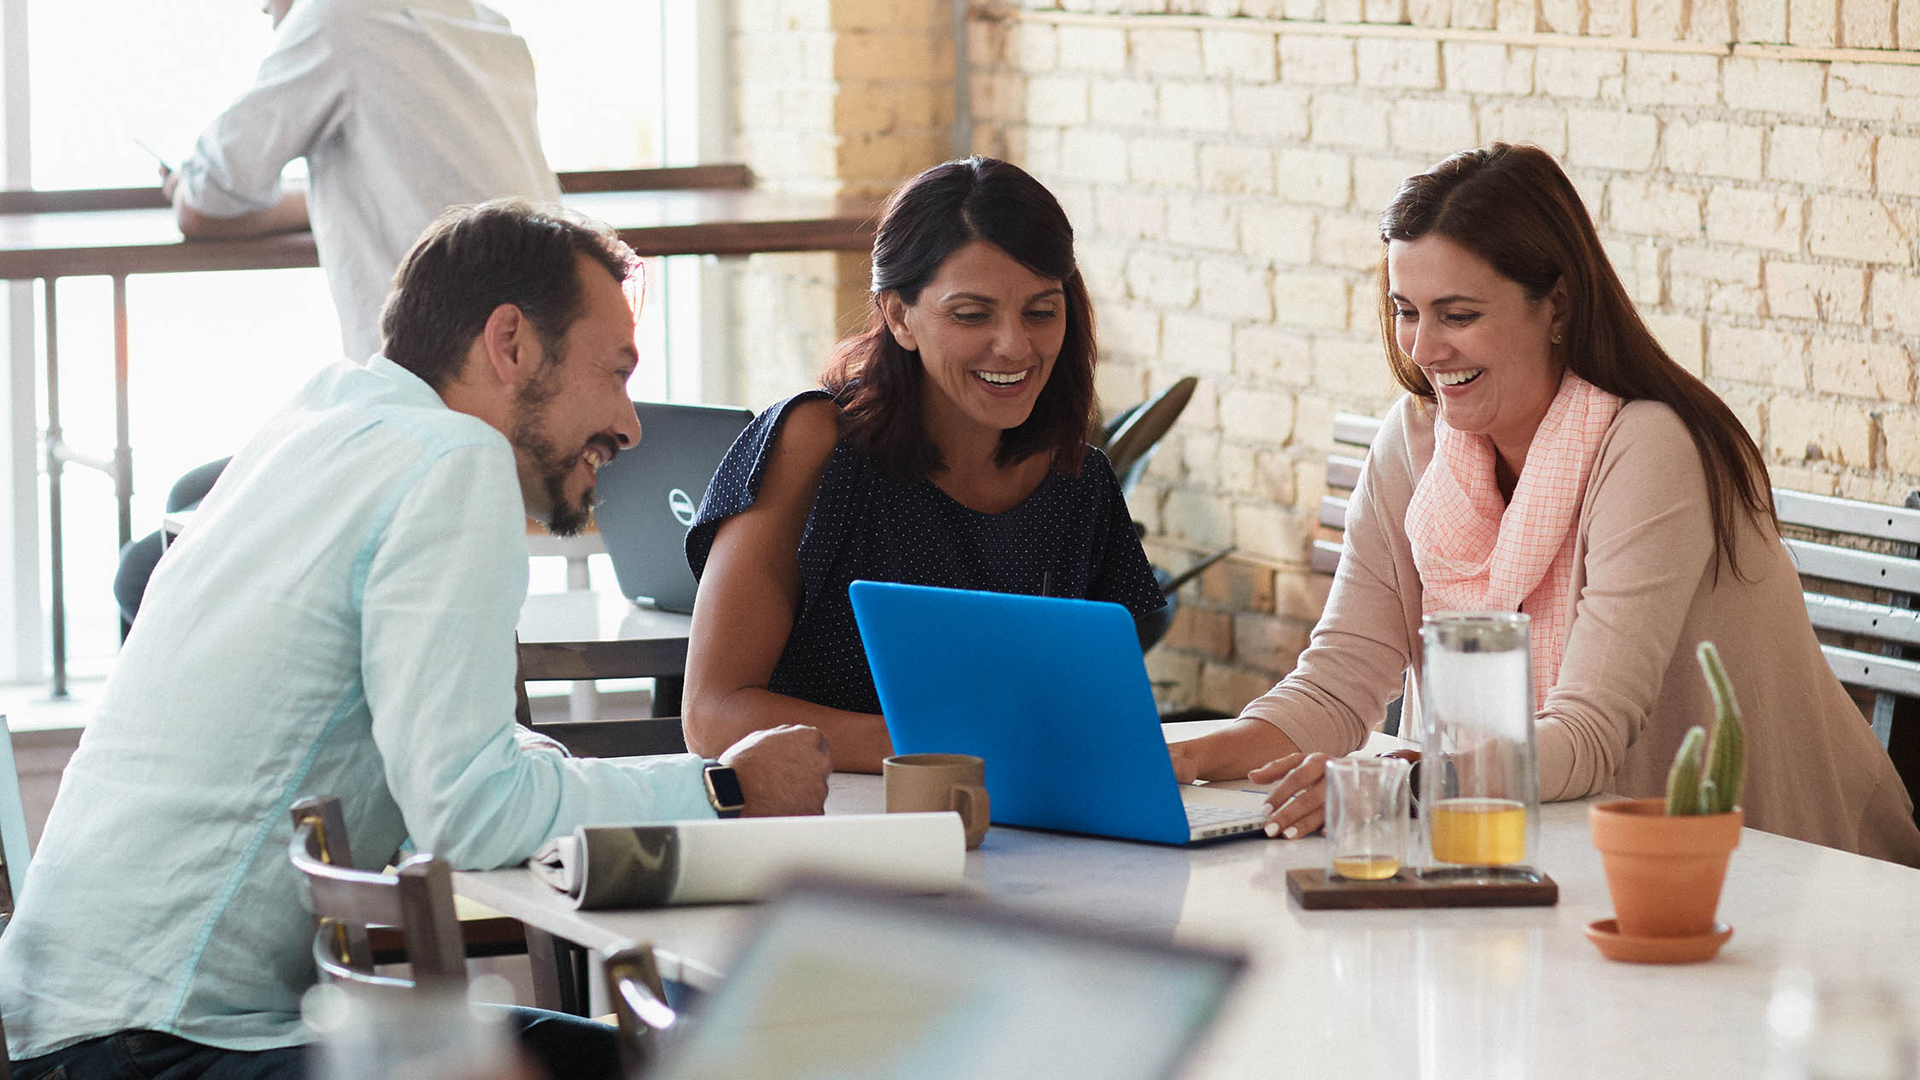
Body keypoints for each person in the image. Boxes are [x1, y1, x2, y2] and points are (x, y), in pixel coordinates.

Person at [0, 201, 834, 1080]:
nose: (630, 424)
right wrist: (725, 787)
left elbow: (446, 759)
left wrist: (542, 773)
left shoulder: (321, 423)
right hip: (151, 1051)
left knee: (637, 1056)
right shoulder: (452, 462)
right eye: (616, 371)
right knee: (700, 1062)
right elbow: (471, 816)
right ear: (509, 342)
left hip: (74, 1026)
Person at [1168, 143, 1920, 865]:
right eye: (1406, 310)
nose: (1424, 349)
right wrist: (1184, 754)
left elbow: (1591, 735)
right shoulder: (1415, 442)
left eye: (1457, 315)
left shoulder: (1649, 447)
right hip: (1554, 854)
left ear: (1554, 304)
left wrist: (1403, 781)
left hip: (1774, 875)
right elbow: (1337, 685)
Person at [681, 157, 1165, 773]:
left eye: (1041, 311)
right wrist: (948, 749)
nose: (1015, 345)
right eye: (972, 314)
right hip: (820, 825)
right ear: (898, 316)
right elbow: (711, 715)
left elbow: (1092, 723)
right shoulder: (814, 444)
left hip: (1015, 839)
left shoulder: (1077, 482)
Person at [163, 0, 560, 364]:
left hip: (448, 385)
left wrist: (182, 192)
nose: (261, 6)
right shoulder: (484, 20)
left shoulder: (336, 18)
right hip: (547, 357)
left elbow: (206, 202)